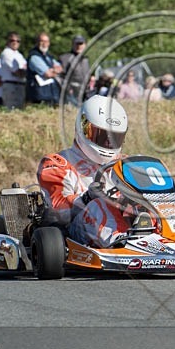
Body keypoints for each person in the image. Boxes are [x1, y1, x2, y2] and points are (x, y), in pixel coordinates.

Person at [37, 95, 131, 247]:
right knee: (99, 204)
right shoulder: (57, 163)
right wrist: (87, 198)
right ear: (83, 128)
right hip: (74, 231)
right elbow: (57, 211)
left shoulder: (125, 163)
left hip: (125, 222)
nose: (108, 144)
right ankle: (120, 243)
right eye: (101, 136)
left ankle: (172, 238)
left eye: (115, 138)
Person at [26, 32, 62, 106]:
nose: (44, 43)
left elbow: (60, 69)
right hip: (39, 95)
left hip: (50, 94)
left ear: (49, 43)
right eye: (41, 41)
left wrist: (52, 70)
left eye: (46, 41)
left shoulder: (48, 56)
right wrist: (53, 70)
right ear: (37, 42)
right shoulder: (34, 57)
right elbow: (48, 74)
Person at [58, 35, 90, 105]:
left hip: (85, 92)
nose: (79, 46)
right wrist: (68, 89)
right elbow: (60, 76)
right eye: (76, 44)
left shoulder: (85, 59)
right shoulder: (65, 58)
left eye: (81, 44)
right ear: (72, 45)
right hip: (71, 94)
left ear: (85, 45)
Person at [0, 32, 27, 109]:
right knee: (11, 110)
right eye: (12, 40)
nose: (15, 42)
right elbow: (18, 72)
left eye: (18, 41)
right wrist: (24, 71)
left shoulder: (18, 55)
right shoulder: (7, 53)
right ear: (8, 41)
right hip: (11, 86)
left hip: (20, 85)